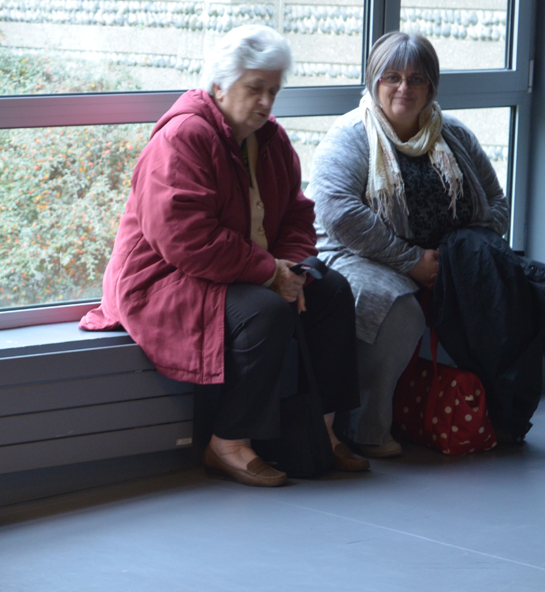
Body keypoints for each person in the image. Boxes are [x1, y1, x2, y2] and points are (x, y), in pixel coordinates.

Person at [80, 25, 367, 486]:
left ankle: (323, 430)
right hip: (164, 277)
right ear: (218, 85)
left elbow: (297, 214)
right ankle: (227, 442)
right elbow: (185, 237)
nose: (266, 102)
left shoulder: (271, 139)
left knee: (331, 290)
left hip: (243, 269)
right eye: (255, 88)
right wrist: (270, 273)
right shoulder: (184, 136)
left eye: (273, 90)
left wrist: (291, 268)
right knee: (266, 312)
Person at [309, 32, 542, 456]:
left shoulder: (453, 134)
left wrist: (458, 254)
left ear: (431, 86)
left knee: (507, 288)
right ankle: (366, 429)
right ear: (375, 81)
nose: (404, 88)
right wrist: (411, 260)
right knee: (396, 309)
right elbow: (338, 213)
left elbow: (496, 202)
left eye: (417, 79)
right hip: (361, 254)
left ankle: (498, 414)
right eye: (392, 77)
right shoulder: (352, 135)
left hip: (444, 258)